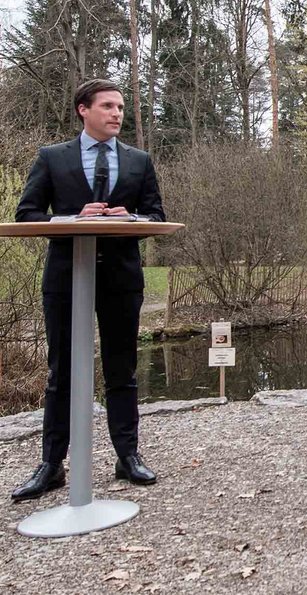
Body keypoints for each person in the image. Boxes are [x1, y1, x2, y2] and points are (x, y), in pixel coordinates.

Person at [12, 79, 166, 501]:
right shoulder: (52, 158)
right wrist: (70, 217)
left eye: (120, 107)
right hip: (66, 277)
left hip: (121, 278)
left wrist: (130, 217)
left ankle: (127, 456)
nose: (118, 113)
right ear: (84, 109)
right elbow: (26, 214)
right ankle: (51, 465)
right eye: (108, 106)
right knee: (60, 373)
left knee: (123, 370)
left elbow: (156, 215)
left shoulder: (139, 160)